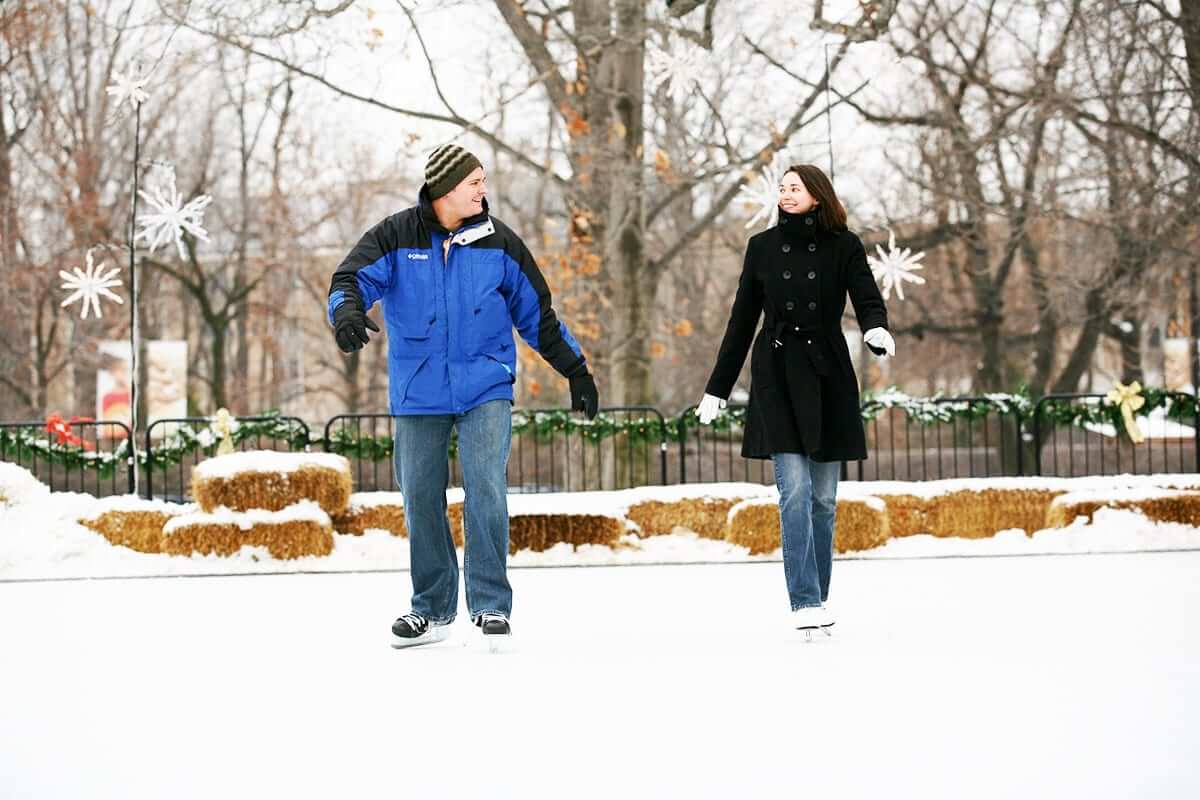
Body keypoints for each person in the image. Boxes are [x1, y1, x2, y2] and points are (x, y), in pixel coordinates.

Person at [328, 143, 599, 649]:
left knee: (486, 490)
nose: (483, 190)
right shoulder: (396, 235)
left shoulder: (500, 243)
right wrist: (345, 313)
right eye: (475, 182)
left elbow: (537, 316)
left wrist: (576, 370)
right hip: (418, 389)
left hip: (486, 385)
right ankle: (430, 609)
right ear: (447, 188)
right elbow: (349, 280)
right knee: (420, 498)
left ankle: (492, 604)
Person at [696, 164, 893, 634]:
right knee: (796, 491)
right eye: (781, 188)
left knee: (824, 498)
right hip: (777, 374)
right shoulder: (761, 248)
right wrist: (717, 388)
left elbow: (866, 297)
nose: (785, 195)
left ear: (818, 196)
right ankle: (804, 600)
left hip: (828, 373)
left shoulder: (844, 245)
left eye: (794, 188)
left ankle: (818, 596)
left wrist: (875, 327)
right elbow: (741, 321)